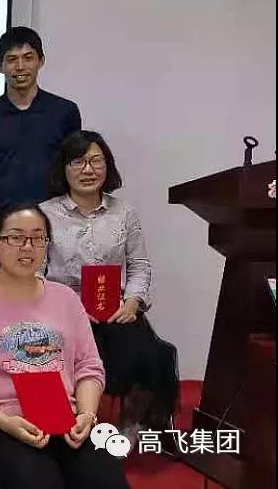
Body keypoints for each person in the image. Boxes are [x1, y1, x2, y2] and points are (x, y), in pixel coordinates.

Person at [0, 204, 129, 489]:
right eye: (16, 237)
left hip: (66, 420)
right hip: (2, 425)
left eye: (37, 238)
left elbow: (88, 367)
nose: (28, 247)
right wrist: (6, 422)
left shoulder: (66, 298)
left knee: (106, 481)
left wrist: (86, 415)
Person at [41, 131, 178, 434]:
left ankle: (128, 431)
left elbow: (139, 265)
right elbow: (36, 272)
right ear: (63, 168)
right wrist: (67, 306)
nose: (88, 170)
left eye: (96, 161)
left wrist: (133, 302)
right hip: (63, 312)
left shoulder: (124, 213)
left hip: (115, 310)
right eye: (78, 162)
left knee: (150, 356)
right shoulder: (45, 213)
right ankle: (62, 428)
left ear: (107, 166)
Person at [0, 27, 81, 213]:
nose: (20, 66)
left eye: (28, 58)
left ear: (41, 61)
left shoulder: (65, 112)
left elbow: (75, 168)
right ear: (0, 66)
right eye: (12, 59)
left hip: (52, 218)